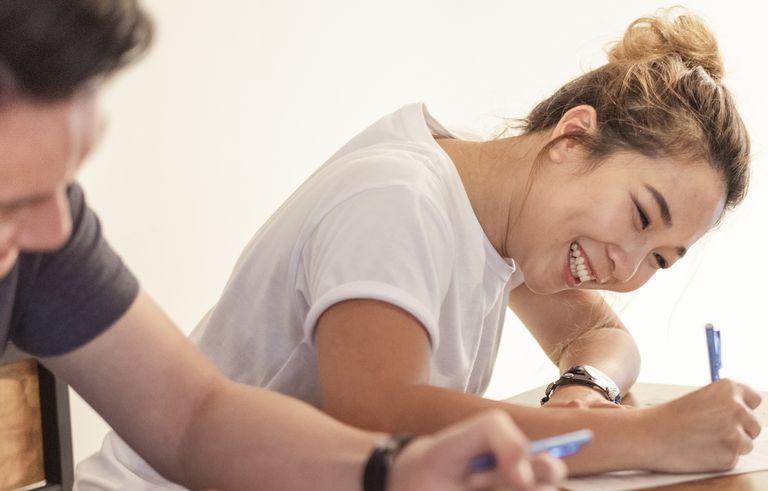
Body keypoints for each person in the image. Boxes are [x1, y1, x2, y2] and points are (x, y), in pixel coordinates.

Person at [76, 6, 763, 489]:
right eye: (642, 215)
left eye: (661, 259)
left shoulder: (500, 210)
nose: (629, 265)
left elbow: (599, 334)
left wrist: (583, 389)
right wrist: (649, 436)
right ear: (573, 137)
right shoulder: (401, 197)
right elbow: (382, 417)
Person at [0, 1, 569, 490]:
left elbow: (193, 416)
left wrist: (391, 468)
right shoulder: (399, 191)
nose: (54, 229)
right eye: (12, 202)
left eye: (68, 181)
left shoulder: (45, 236)